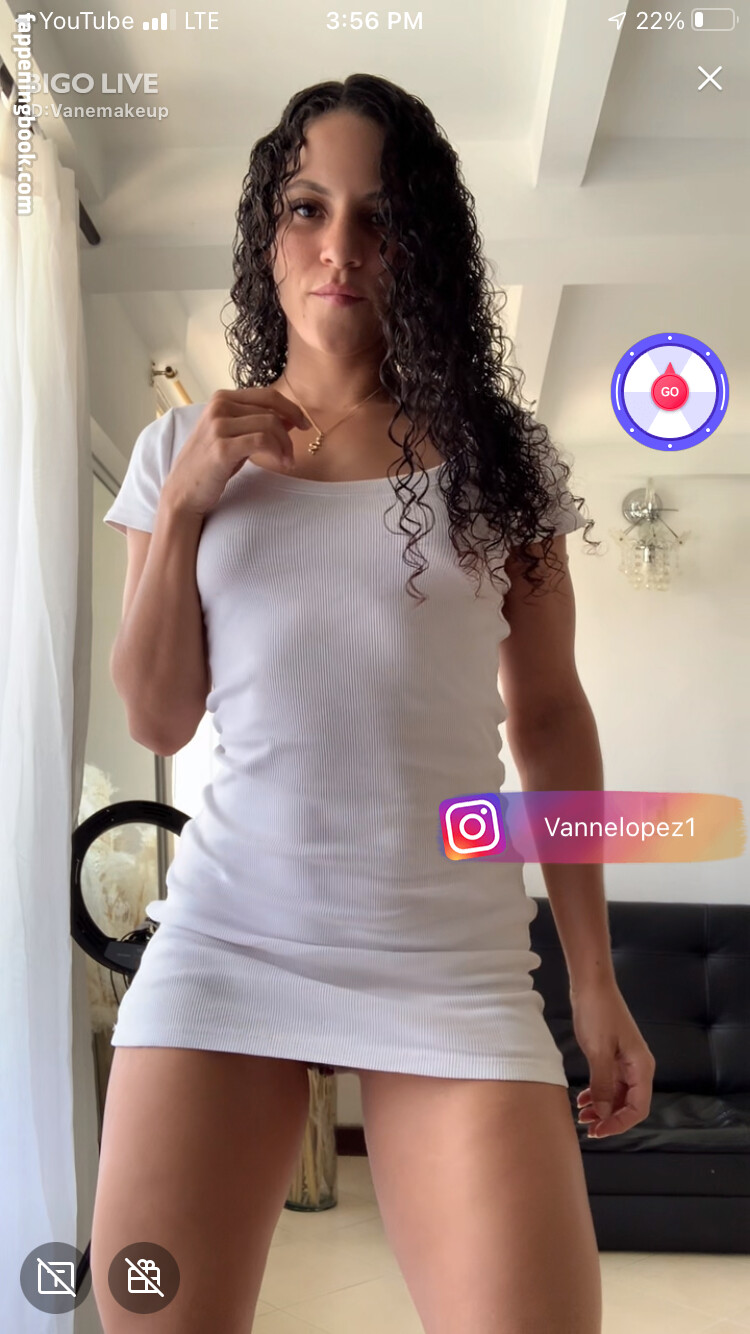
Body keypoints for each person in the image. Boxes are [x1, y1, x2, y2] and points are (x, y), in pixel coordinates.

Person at [92, 74, 654, 1334]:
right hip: (227, 944)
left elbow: (551, 716)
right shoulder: (177, 452)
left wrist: (595, 975)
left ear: (424, 249)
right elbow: (157, 718)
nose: (339, 244)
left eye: (379, 215)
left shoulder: (502, 463)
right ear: (267, 234)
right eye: (307, 207)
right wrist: (184, 505)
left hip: (450, 962)